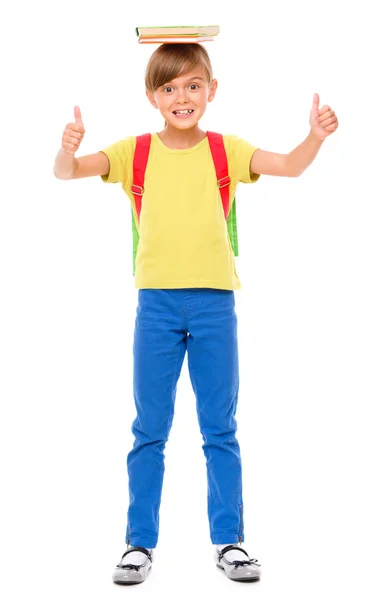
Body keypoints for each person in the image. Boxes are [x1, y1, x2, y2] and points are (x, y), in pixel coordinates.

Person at [53, 42, 338, 585]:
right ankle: (139, 545)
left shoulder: (225, 150)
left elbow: (289, 167)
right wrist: (68, 148)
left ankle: (229, 542)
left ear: (211, 90)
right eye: (169, 88)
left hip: (215, 305)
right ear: (151, 97)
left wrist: (315, 138)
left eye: (192, 85)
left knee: (219, 429)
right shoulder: (131, 152)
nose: (181, 97)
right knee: (149, 429)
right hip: (155, 306)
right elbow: (66, 173)